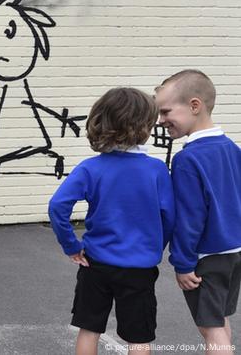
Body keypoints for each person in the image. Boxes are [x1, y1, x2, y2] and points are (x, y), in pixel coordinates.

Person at [48, 87, 175, 355]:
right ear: (144, 126)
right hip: (139, 266)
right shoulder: (156, 170)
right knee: (139, 336)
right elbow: (168, 217)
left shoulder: (90, 168)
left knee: (89, 328)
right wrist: (154, 247)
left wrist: (71, 245)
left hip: (96, 263)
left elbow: (58, 206)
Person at [156, 69, 241, 355]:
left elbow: (190, 218)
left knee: (210, 328)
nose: (160, 120)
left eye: (166, 111)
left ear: (195, 106)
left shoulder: (187, 159)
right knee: (218, 321)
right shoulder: (231, 148)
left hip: (207, 256)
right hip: (234, 250)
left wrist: (183, 262)